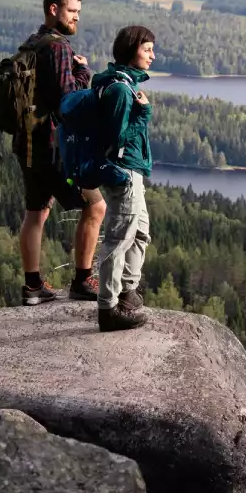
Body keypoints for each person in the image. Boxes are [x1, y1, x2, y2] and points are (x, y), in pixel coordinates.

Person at [14, 0, 107, 305]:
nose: (76, 19)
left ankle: (32, 287)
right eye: (72, 12)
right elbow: (69, 101)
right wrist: (82, 71)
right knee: (96, 206)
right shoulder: (58, 49)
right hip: (54, 147)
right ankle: (82, 280)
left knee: (35, 213)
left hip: (26, 142)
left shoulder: (31, 43)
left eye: (78, 13)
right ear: (54, 10)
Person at [91, 25, 158, 331]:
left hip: (133, 172)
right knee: (119, 240)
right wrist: (144, 115)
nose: (152, 56)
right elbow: (113, 140)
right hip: (124, 173)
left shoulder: (126, 85)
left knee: (140, 232)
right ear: (132, 50)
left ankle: (127, 292)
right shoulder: (120, 89)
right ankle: (109, 309)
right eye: (147, 50)